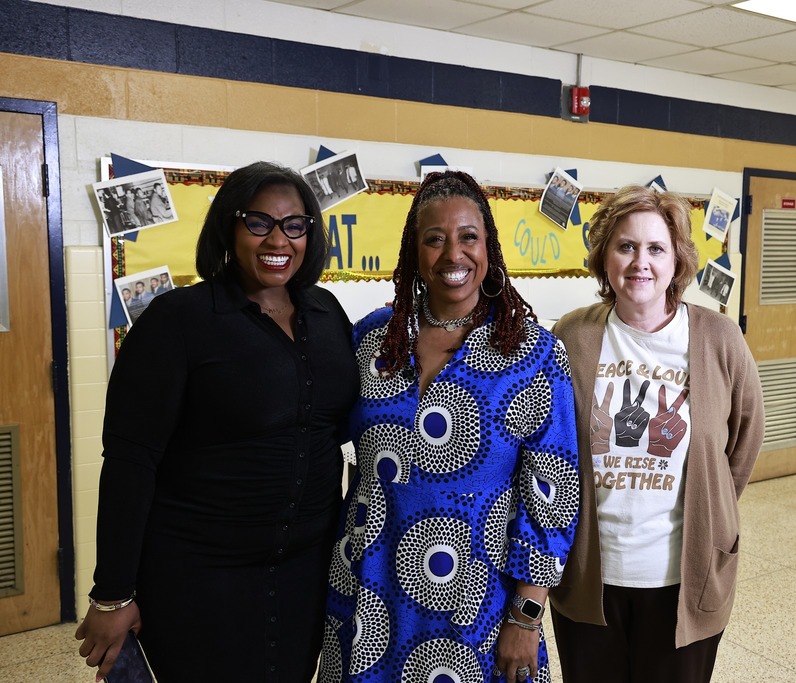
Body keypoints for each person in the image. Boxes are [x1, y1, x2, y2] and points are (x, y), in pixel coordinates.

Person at [75, 161, 359, 683]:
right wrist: (113, 594)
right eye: (259, 222)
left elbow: (331, 427)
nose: (279, 239)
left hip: (307, 571)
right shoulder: (178, 320)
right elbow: (130, 461)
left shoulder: (326, 313)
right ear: (229, 227)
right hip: (201, 575)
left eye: (295, 224)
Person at [320, 170, 580, 683]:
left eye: (468, 237)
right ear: (413, 252)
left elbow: (553, 494)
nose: (452, 255)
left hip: (479, 601)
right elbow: (317, 435)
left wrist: (526, 615)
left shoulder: (533, 354)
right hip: (367, 587)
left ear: (489, 247)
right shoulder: (373, 339)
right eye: (434, 239)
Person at [548, 185, 765, 683]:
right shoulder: (571, 336)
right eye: (625, 246)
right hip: (589, 578)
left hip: (682, 581)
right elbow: (549, 441)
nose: (639, 262)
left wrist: (714, 504)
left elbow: (746, 435)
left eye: (655, 248)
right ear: (604, 256)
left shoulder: (719, 338)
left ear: (677, 260)